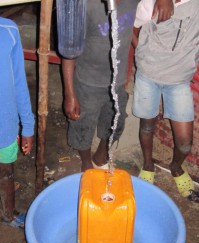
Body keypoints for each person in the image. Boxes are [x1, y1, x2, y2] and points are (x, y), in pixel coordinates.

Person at [61, 0, 174, 172]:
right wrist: (70, 94)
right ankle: (85, 163)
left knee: (115, 123)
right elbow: (68, 55)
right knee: (82, 127)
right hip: (88, 81)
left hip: (117, 81)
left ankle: (100, 157)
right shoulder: (85, 6)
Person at [132, 0, 199, 197]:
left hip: (178, 81)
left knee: (185, 142)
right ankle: (147, 164)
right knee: (146, 125)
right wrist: (140, 51)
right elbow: (130, 25)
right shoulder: (149, 3)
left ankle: (176, 167)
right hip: (148, 75)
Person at [0, 0, 35, 243]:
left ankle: (9, 214)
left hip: (3, 122)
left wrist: (27, 125)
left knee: (5, 171)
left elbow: (19, 83)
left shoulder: (7, 30)